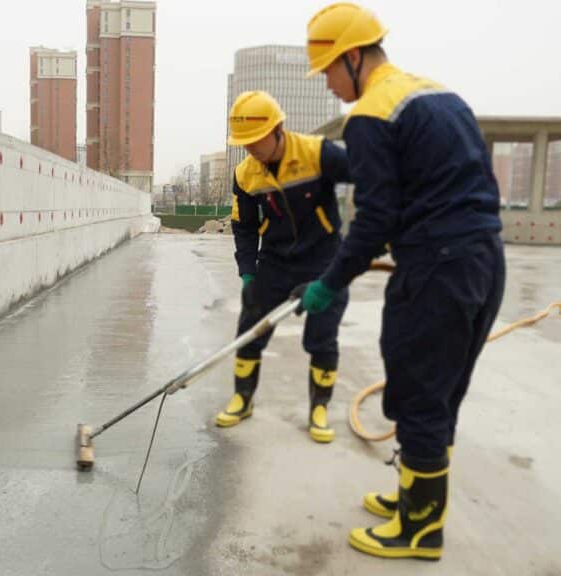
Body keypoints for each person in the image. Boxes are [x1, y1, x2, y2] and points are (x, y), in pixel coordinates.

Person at [296, 2, 507, 560]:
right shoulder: (437, 95)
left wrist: (329, 281)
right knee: (440, 394)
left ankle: (420, 530)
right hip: (483, 259)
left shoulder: (370, 114)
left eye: (329, 73)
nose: (330, 88)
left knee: (415, 393)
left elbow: (375, 218)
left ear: (354, 57)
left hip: (437, 269)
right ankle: (416, 499)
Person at [217, 90, 351, 444]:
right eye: (244, 144)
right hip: (274, 263)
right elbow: (243, 227)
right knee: (251, 328)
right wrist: (248, 273)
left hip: (324, 260)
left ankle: (319, 408)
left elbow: (370, 178)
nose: (251, 150)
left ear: (278, 129)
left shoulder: (315, 153)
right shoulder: (246, 174)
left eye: (256, 141)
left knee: (321, 336)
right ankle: (242, 398)